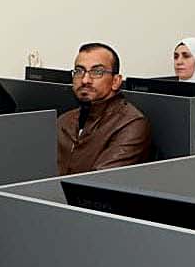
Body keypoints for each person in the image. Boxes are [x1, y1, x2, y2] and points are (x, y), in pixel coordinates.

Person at [57, 43, 153, 175]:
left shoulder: (131, 124)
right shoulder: (64, 121)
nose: (85, 80)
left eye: (97, 72)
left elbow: (98, 180)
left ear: (116, 81)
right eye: (79, 71)